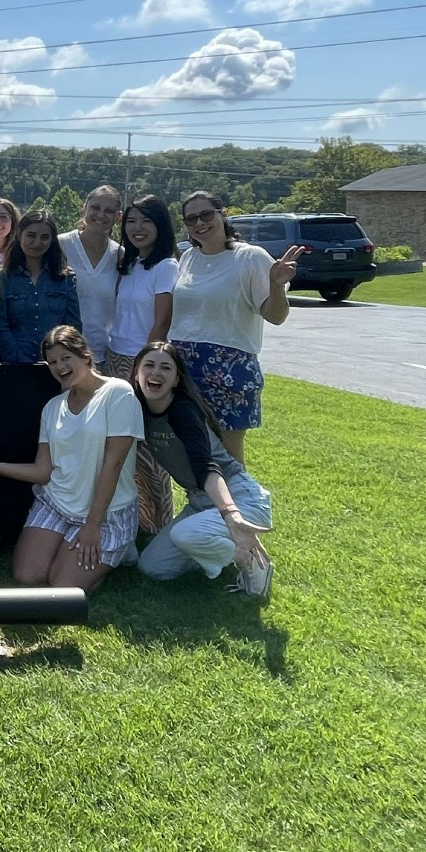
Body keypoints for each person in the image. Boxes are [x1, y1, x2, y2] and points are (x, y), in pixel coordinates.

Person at [0, 326, 142, 592]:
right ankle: (71, 550)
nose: (59, 367)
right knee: (27, 576)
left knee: (62, 587)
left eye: (65, 358)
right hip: (57, 504)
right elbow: (42, 471)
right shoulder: (52, 408)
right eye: (52, 362)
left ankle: (114, 551)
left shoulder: (118, 393)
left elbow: (113, 464)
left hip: (105, 513)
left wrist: (93, 525)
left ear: (84, 354)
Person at [130, 342, 274, 597]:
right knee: (152, 568)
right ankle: (226, 546)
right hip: (199, 502)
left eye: (166, 368)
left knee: (186, 533)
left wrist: (231, 516)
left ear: (176, 379)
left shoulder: (183, 411)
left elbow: (208, 469)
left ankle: (249, 559)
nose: (156, 373)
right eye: (149, 365)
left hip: (239, 498)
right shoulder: (137, 410)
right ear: (137, 373)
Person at [169, 190, 301, 465]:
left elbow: (275, 316)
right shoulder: (188, 258)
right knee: (192, 451)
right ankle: (203, 507)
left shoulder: (251, 257)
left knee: (227, 457)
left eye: (207, 215)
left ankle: (235, 507)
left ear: (223, 214)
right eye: (191, 219)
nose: (199, 223)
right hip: (183, 366)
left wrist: (276, 286)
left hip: (229, 367)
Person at [105, 194, 181, 534]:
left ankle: (157, 526)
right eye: (131, 221)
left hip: (141, 363)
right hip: (113, 359)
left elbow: (161, 323)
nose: (137, 228)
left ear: (160, 225)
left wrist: (145, 370)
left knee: (148, 450)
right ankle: (128, 518)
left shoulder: (165, 266)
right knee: (120, 447)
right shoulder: (130, 263)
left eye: (146, 221)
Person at [0, 210, 81, 364]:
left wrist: (56, 360)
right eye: (31, 236)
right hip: (14, 366)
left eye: (45, 237)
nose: (38, 242)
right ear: (20, 235)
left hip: (55, 367)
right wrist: (19, 361)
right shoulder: (4, 278)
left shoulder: (65, 278)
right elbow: (1, 327)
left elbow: (73, 326)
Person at [59, 185, 122, 368]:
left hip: (103, 356)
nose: (101, 215)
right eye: (95, 207)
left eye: (109, 211)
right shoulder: (60, 245)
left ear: (117, 217)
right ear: (84, 207)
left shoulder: (120, 256)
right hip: (63, 356)